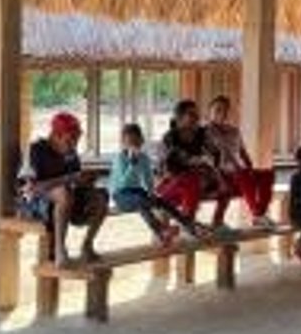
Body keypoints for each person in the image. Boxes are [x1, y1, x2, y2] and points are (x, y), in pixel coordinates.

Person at [19, 111, 106, 264]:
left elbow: (74, 180)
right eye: (71, 139)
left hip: (65, 204)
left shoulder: (70, 153)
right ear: (55, 135)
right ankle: (60, 249)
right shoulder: (35, 151)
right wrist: (68, 179)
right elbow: (30, 189)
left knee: (100, 196)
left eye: (77, 140)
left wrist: (85, 181)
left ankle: (87, 245)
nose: (74, 144)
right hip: (34, 205)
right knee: (63, 192)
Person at [110, 122, 187, 246]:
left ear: (141, 141)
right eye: (129, 142)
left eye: (136, 141)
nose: (133, 145)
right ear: (123, 143)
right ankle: (162, 230)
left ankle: (185, 222)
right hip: (120, 195)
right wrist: (132, 164)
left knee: (159, 200)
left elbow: (147, 178)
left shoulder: (144, 157)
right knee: (141, 201)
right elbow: (123, 183)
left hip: (136, 192)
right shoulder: (120, 158)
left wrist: (151, 193)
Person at [203, 95, 275, 228]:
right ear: (209, 112)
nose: (221, 113)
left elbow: (243, 153)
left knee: (267, 174)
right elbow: (206, 159)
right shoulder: (205, 132)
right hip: (220, 174)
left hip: (239, 173)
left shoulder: (234, 131)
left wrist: (250, 167)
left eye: (225, 110)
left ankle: (260, 213)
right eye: (217, 110)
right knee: (242, 174)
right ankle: (257, 214)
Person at [156, 99, 223, 232]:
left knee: (193, 181)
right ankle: (186, 222)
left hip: (197, 180)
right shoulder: (170, 137)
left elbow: (216, 154)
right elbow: (167, 167)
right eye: (191, 114)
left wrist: (205, 163)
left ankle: (183, 223)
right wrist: (196, 161)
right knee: (189, 182)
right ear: (180, 117)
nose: (196, 117)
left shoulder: (202, 134)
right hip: (173, 181)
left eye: (197, 114)